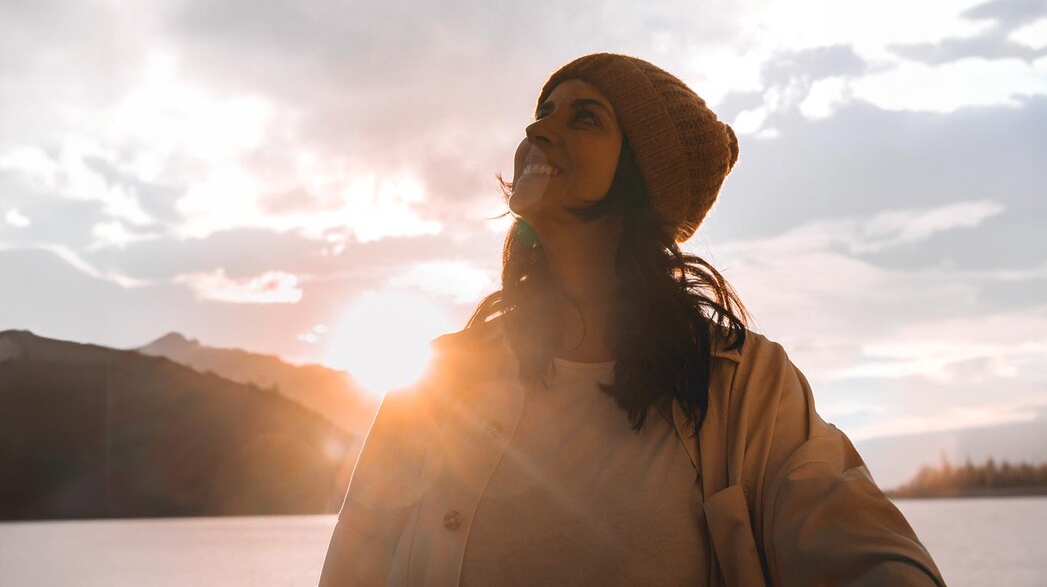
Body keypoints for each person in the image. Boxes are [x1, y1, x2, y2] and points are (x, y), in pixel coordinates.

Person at [319, 53, 946, 587]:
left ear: (643, 177)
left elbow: (867, 554)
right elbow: (353, 568)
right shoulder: (435, 384)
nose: (541, 128)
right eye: (545, 110)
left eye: (584, 116)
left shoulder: (745, 385)